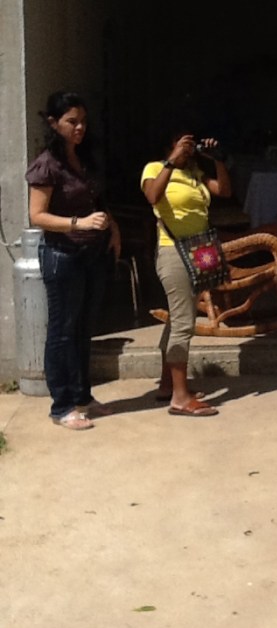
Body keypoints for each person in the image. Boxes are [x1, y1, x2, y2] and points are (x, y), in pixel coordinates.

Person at [27, 90, 121, 431]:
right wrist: (78, 224)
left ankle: (82, 396)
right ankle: (62, 405)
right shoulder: (47, 164)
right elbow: (37, 215)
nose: (79, 127)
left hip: (91, 253)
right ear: (54, 123)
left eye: (83, 121)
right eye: (71, 122)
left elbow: (95, 199)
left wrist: (113, 228)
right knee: (62, 331)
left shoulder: (83, 158)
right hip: (62, 255)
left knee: (83, 329)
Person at [141, 131, 231, 416]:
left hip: (198, 252)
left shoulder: (195, 174)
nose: (188, 149)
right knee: (183, 324)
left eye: (191, 145)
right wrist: (172, 161)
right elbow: (152, 196)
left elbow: (224, 191)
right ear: (169, 145)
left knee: (178, 319)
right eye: (183, 144)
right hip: (173, 253)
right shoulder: (154, 168)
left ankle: (168, 385)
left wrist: (218, 160)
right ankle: (180, 398)